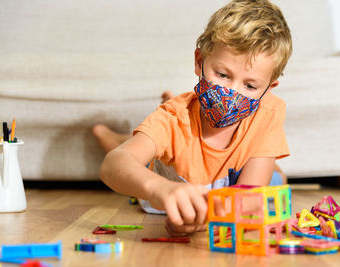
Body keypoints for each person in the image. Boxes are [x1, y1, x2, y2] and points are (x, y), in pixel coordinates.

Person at [96, 0, 292, 236]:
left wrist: (205, 219)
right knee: (136, 148)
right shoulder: (174, 118)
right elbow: (113, 165)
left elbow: (249, 198)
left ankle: (136, 130)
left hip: (229, 188)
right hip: (170, 178)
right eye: (222, 75)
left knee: (276, 178)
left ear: (268, 89)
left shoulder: (268, 111)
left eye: (250, 85)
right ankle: (111, 135)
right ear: (200, 62)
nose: (231, 94)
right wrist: (160, 189)